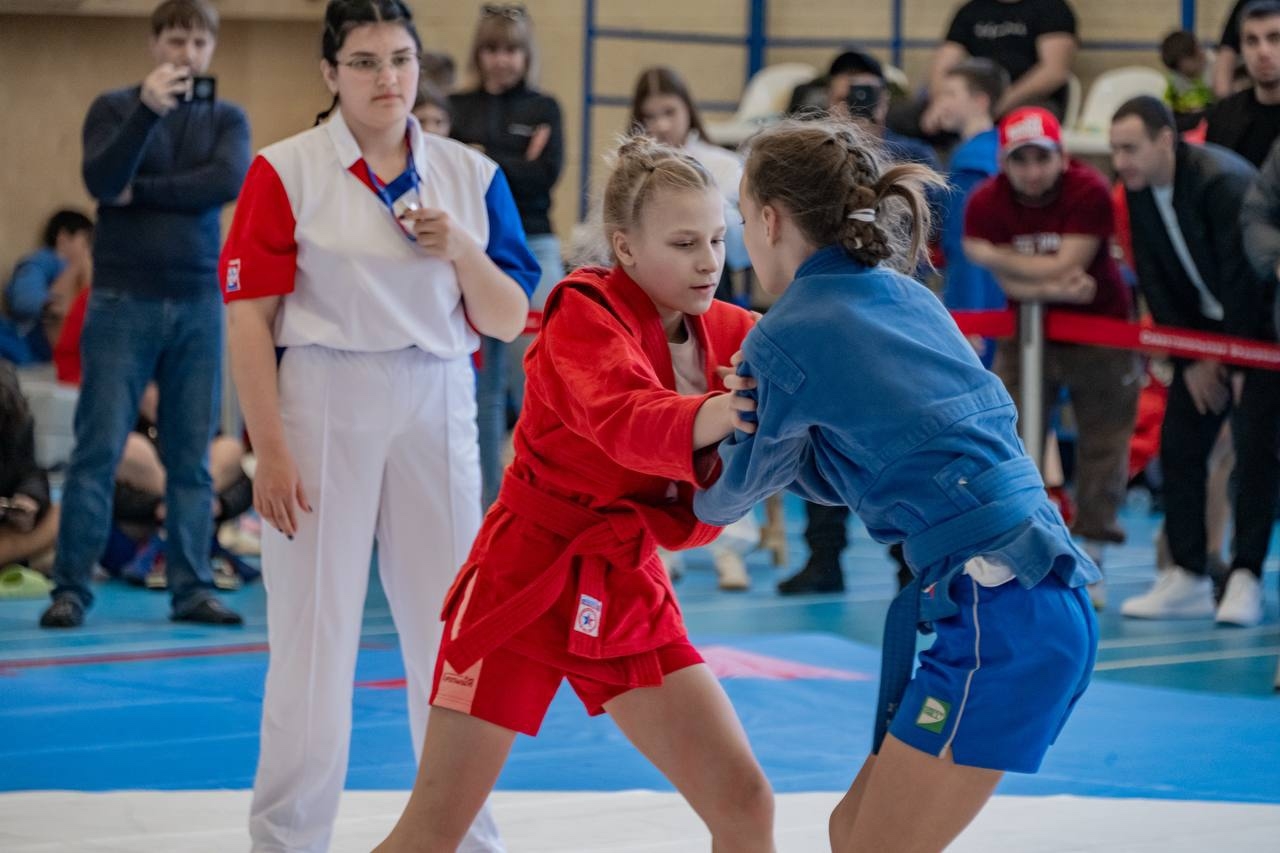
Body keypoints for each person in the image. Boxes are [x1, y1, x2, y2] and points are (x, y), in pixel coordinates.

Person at [693, 116, 1097, 853]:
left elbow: (725, 499)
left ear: (771, 220)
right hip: (1035, 589)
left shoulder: (787, 331)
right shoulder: (905, 295)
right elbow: (855, 473)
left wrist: (699, 421)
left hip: (999, 605)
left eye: (743, 221)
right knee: (850, 830)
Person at [373, 137, 773, 853]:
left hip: (622, 578)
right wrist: (726, 411)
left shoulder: (734, 331)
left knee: (744, 802)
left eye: (717, 238)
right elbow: (626, 419)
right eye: (684, 243)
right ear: (625, 247)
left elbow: (817, 368)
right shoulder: (581, 309)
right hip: (524, 577)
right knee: (431, 833)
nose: (709, 261)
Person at [221, 1, 539, 850]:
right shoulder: (285, 170)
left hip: (440, 392)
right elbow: (248, 320)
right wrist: (269, 449)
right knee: (312, 637)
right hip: (323, 395)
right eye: (363, 61)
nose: (386, 78)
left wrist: (461, 249)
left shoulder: (472, 175)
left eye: (400, 58)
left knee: (453, 634)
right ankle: (287, 839)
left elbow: (509, 318)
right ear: (330, 73)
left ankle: (461, 834)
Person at [39, 0, 250, 630]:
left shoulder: (226, 117)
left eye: (199, 42)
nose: (188, 53)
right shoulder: (115, 109)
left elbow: (225, 182)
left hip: (197, 301)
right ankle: (70, 588)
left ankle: (191, 587)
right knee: (96, 450)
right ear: (155, 44)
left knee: (191, 457)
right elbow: (104, 182)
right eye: (177, 40)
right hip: (121, 300)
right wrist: (146, 113)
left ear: (212, 48)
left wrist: (143, 194)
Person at [963, 107, 1140, 609]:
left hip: (1100, 330)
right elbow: (993, 256)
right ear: (1004, 163)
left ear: (1061, 157)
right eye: (1021, 160)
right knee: (1007, 432)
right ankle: (1014, 545)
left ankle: (1094, 550)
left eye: (1042, 158)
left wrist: (1003, 261)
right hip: (1027, 330)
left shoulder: (1088, 190)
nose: (1033, 171)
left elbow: (1070, 262)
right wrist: (1049, 283)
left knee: (1104, 441)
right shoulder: (988, 200)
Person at [449, 3, 564, 509]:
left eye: (512, 50)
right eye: (492, 49)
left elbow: (544, 178)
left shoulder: (545, 107)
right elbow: (454, 177)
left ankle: (545, 496)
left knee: (541, 379)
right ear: (478, 54)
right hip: (474, 250)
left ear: (527, 55)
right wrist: (515, 162)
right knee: (484, 390)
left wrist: (483, 159)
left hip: (533, 246)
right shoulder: (458, 106)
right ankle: (486, 502)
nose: (501, 60)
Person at [934, 58, 1009, 368]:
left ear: (980, 101)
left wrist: (968, 317)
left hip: (979, 301)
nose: (942, 103)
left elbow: (966, 248)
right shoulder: (1000, 149)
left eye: (951, 94)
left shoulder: (970, 164)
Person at [920, 0, 1078, 135]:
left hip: (1029, 100)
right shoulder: (971, 10)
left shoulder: (1052, 8)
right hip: (975, 99)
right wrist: (940, 102)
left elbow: (1054, 72)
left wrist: (995, 107)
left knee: (1030, 124)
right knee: (914, 120)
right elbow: (942, 66)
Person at [0, 210, 93, 366]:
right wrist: (50, 305)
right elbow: (24, 297)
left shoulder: (82, 269)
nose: (89, 249)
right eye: (86, 242)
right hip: (23, 341)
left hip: (45, 353)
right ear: (63, 238)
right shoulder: (44, 261)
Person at [1207, 0, 1280, 167]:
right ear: (1241, 48)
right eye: (1252, 41)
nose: (1263, 52)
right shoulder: (1224, 117)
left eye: (1275, 38)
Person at [0, 363, 58, 570]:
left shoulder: (17, 424)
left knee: (61, 515)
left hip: (8, 525)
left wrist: (29, 499)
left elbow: (31, 473)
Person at [1160, 30, 1214, 132]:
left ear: (1198, 52)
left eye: (1187, 72)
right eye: (1178, 71)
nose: (1182, 75)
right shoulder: (1176, 77)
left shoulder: (1217, 68)